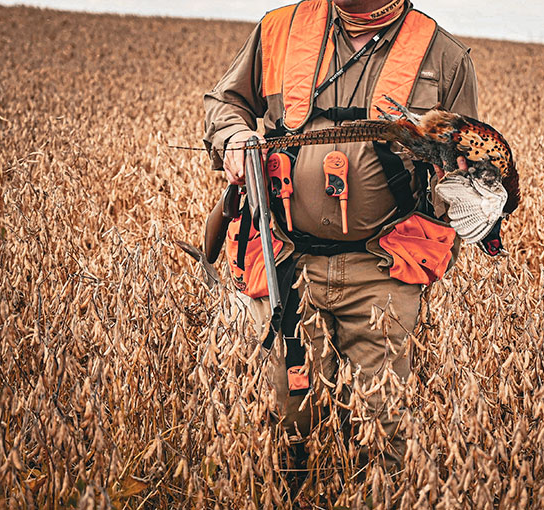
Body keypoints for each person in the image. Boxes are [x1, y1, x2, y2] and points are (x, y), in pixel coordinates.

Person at [202, 0, 478, 492]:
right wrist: (235, 137)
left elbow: (468, 173)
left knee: (385, 430)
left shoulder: (444, 58)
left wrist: (459, 180)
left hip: (384, 268)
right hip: (286, 257)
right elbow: (227, 103)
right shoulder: (280, 28)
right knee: (285, 419)